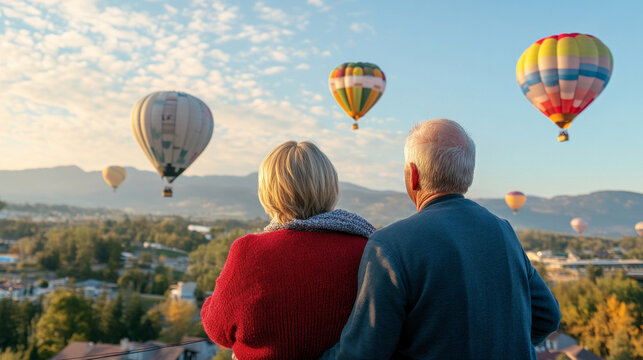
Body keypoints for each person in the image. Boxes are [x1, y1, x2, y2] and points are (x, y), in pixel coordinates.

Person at [320, 119, 561, 360]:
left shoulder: (391, 245)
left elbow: (362, 353)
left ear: (412, 176)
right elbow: (548, 316)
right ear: (468, 175)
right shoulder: (504, 231)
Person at [201, 141, 375, 360]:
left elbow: (218, 330)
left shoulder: (249, 252)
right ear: (331, 187)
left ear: (267, 191)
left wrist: (212, 302)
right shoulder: (367, 250)